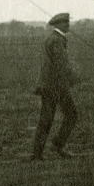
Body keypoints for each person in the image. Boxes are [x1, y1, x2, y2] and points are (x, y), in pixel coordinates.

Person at [30, 12, 79, 160]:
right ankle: (55, 146)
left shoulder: (55, 39)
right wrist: (73, 78)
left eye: (68, 22)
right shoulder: (57, 40)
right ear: (58, 24)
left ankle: (40, 152)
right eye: (65, 23)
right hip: (54, 86)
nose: (68, 25)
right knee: (70, 115)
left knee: (48, 118)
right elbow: (60, 64)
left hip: (50, 85)